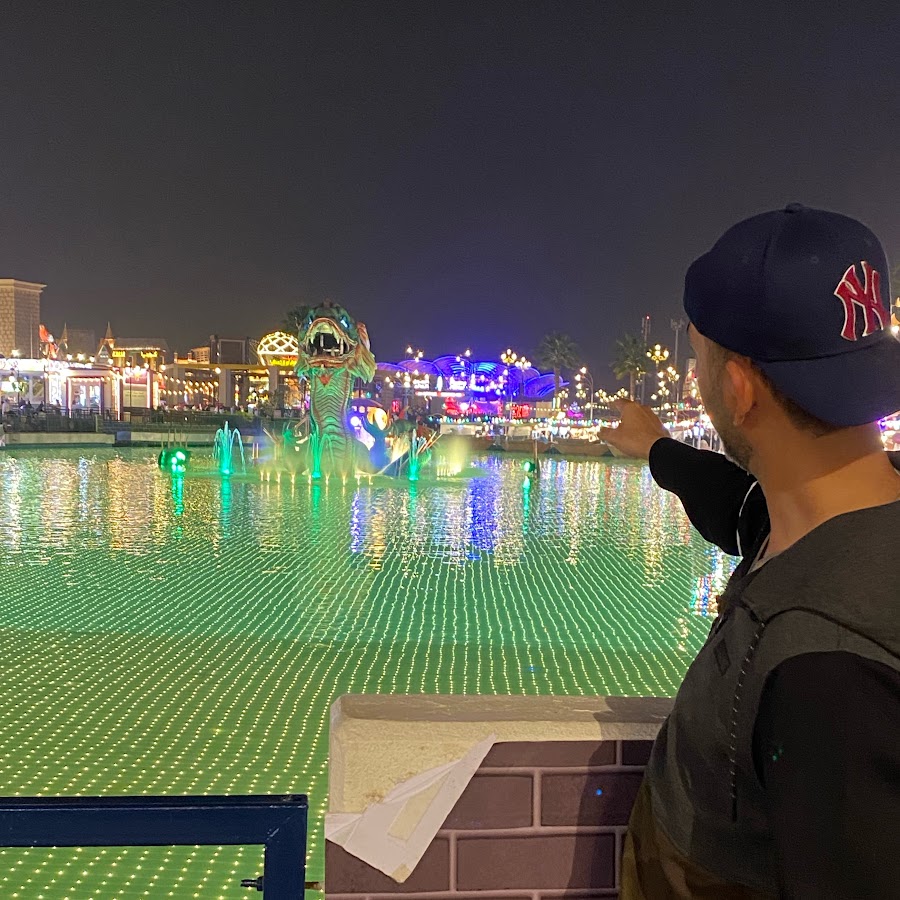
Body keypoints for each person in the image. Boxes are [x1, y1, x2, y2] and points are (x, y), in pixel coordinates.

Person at [600, 204, 900, 899]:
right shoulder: (831, 521)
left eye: (700, 362)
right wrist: (658, 449)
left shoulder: (828, 666)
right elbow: (740, 509)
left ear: (737, 389)